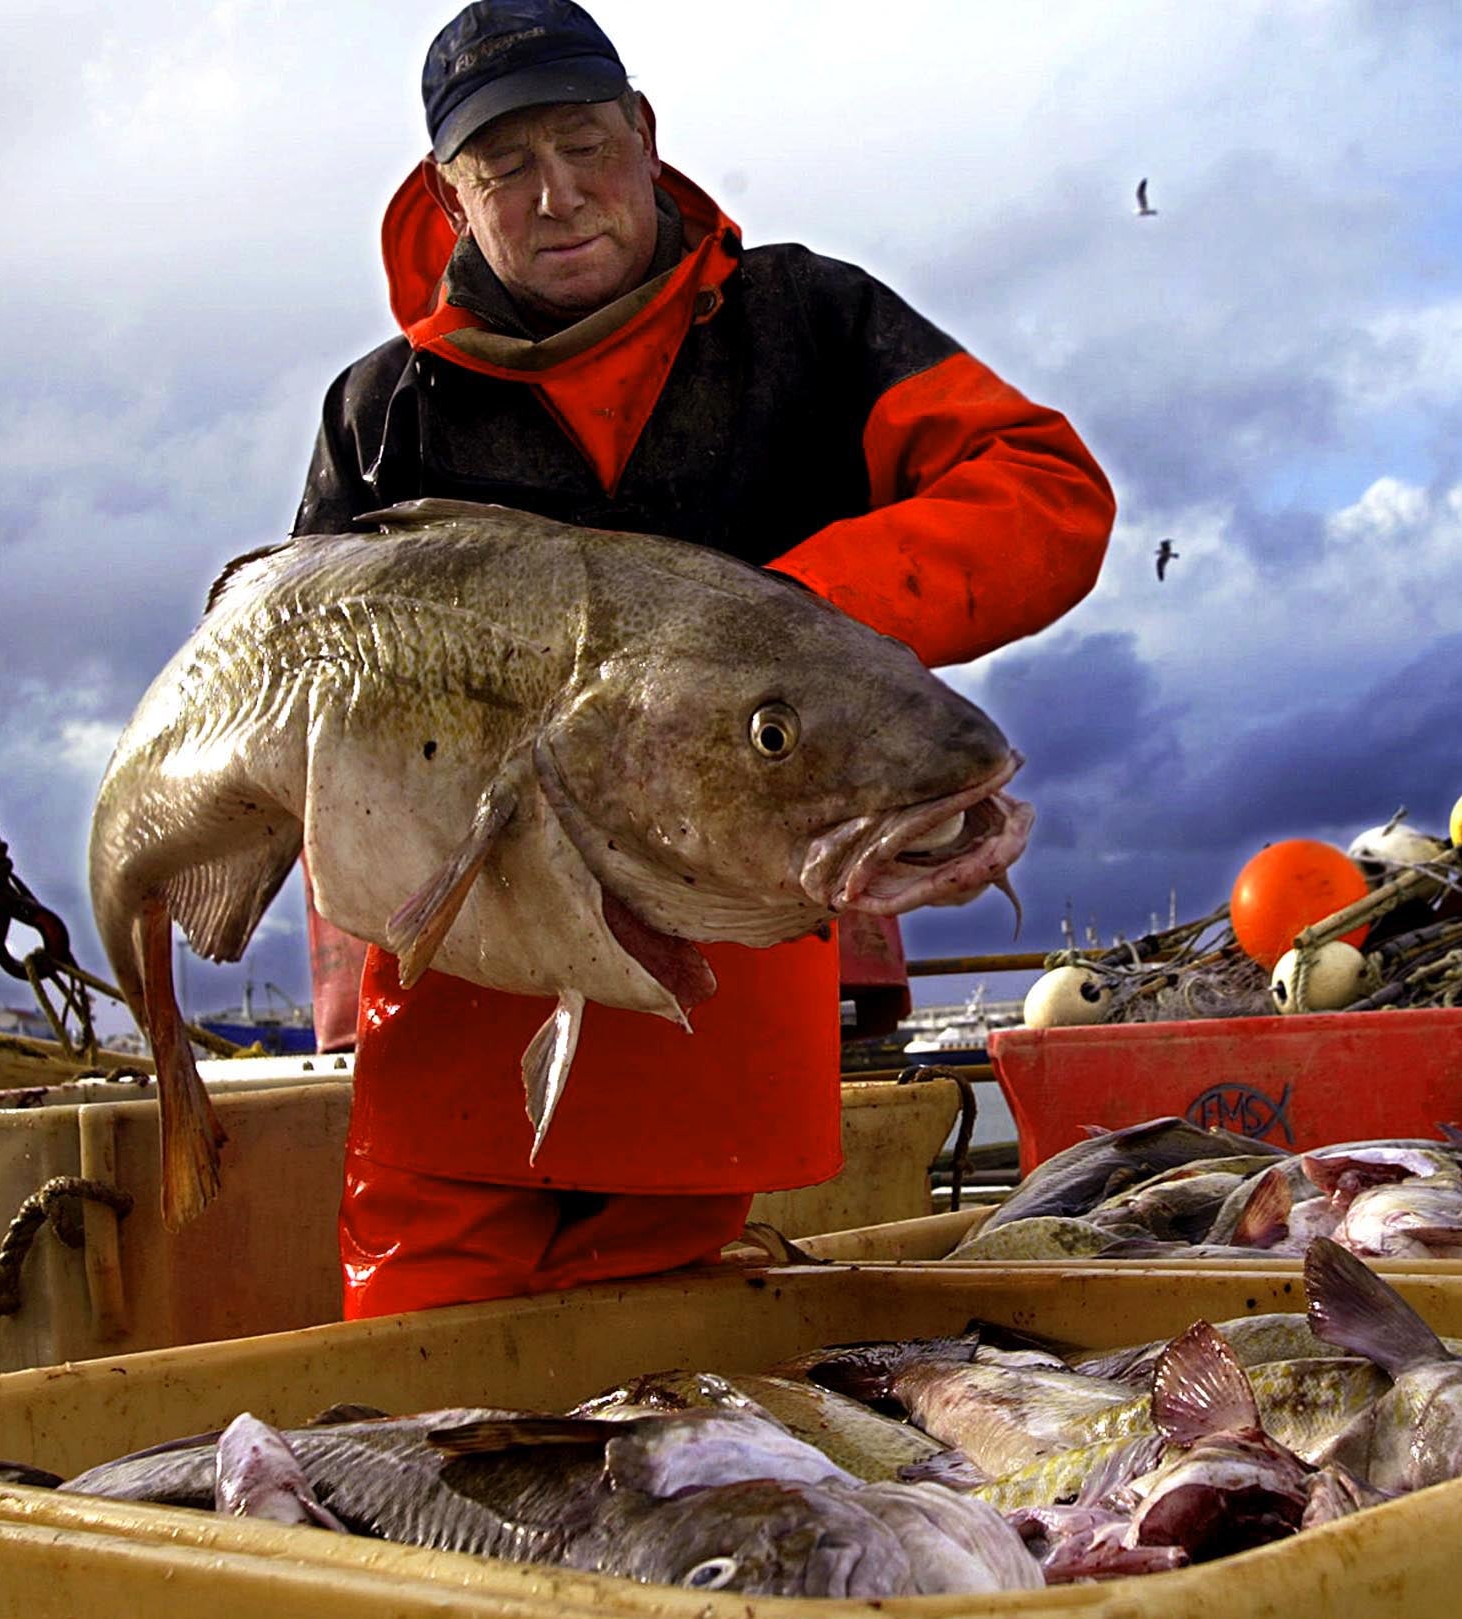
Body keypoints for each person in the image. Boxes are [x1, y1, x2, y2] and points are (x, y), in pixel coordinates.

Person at [296, 0, 1114, 1319]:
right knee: (420, 1342)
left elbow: (1045, 490)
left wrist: (780, 628)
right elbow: (301, 673)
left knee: (670, 1348)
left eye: (584, 145)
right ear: (448, 197)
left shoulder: (808, 321)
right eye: (504, 167)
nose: (558, 195)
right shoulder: (378, 412)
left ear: (644, 134)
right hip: (459, 968)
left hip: (730, 938)